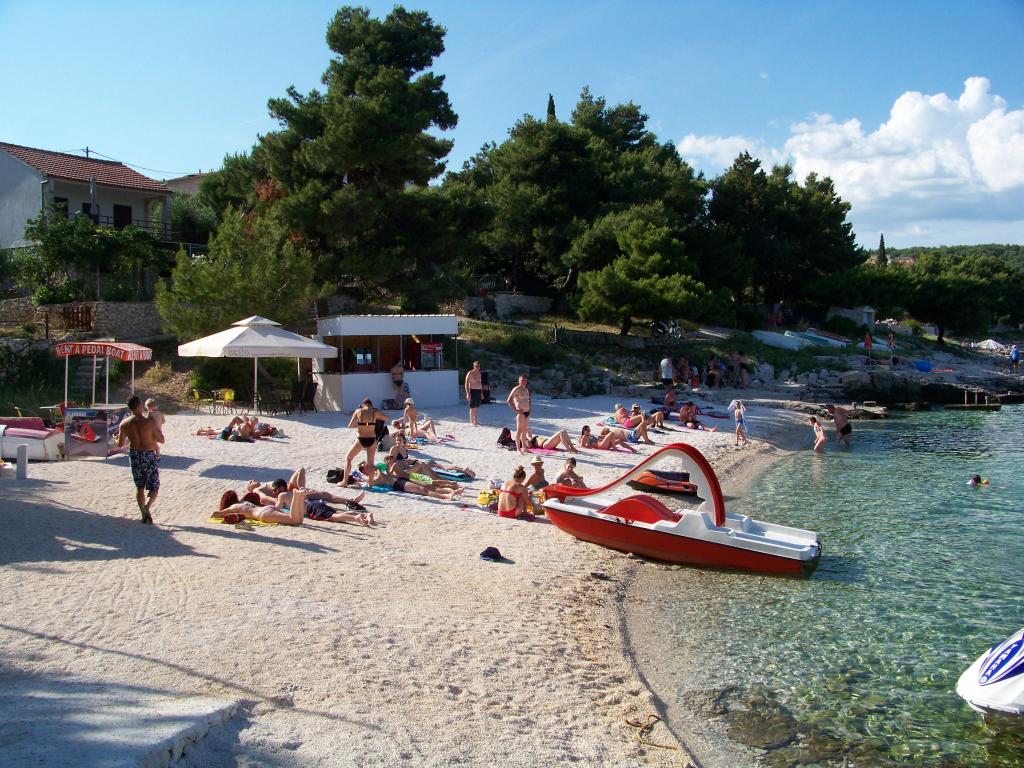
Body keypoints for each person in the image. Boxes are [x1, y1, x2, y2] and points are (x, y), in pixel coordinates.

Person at [117, 395, 164, 524]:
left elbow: (120, 444)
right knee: (154, 487)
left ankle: (143, 512)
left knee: (140, 487)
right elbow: (161, 440)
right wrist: (153, 434)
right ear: (140, 406)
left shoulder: (124, 424)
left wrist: (117, 437)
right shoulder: (149, 422)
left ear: (130, 408)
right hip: (148, 454)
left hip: (135, 454)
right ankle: (146, 508)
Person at [248, 467, 366, 509]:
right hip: (285, 496)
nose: (252, 480)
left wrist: (300, 488)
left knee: (324, 494)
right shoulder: (257, 490)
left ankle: (350, 500)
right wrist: (282, 500)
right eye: (250, 482)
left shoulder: (266, 484)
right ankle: (302, 492)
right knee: (321, 499)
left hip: (290, 489)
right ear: (250, 488)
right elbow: (264, 499)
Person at [356, 461, 462, 500]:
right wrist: (377, 469)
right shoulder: (369, 478)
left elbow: (388, 473)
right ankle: (447, 496)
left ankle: (451, 491)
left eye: (367, 464)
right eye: (365, 466)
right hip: (397, 483)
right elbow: (380, 479)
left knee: (429, 485)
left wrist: (388, 467)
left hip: (398, 478)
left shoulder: (375, 471)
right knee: (422, 490)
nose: (368, 466)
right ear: (364, 471)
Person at [344, 399, 387, 485]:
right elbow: (386, 418)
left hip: (361, 438)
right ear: (371, 405)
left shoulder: (358, 411)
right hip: (372, 439)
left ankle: (344, 482)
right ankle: (371, 483)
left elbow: (350, 425)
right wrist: (374, 420)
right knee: (371, 464)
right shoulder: (375, 412)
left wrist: (361, 425)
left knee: (348, 458)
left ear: (363, 404)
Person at [216, 489, 308, 525]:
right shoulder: (245, 501)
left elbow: (215, 514)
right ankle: (300, 497)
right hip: (268, 508)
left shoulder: (234, 507)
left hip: (263, 514)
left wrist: (224, 514)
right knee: (299, 520)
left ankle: (296, 496)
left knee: (294, 520)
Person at [506, 375, 532, 455]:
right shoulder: (516, 389)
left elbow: (529, 400)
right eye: (522, 380)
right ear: (519, 381)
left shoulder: (526, 389)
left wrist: (530, 408)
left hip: (527, 412)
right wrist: (516, 410)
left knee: (525, 430)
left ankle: (524, 447)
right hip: (521, 413)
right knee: (519, 430)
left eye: (525, 380)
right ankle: (518, 449)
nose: (524, 382)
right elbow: (509, 400)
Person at [465, 360, 483, 427]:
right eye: (476, 366)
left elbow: (480, 383)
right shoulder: (470, 373)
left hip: (478, 391)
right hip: (472, 391)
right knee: (472, 407)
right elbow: (466, 384)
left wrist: (481, 393)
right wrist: (468, 393)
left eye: (479, 366)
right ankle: (472, 422)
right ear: (474, 366)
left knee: (476, 407)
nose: (478, 368)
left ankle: (475, 421)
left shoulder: (479, 373)